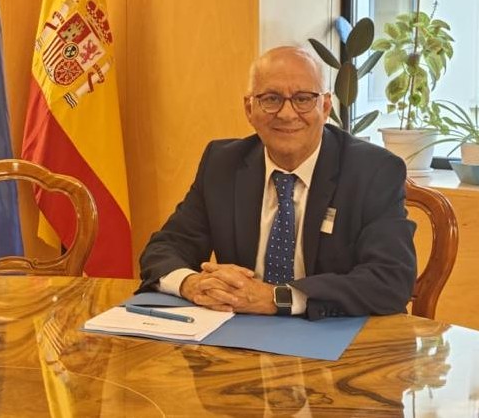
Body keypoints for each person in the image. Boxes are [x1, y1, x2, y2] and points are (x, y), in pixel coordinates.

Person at [138, 46, 416, 320]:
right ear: (249, 109)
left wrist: (276, 298)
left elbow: (391, 279)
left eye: (303, 99)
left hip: (336, 333)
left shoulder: (373, 171)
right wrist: (191, 284)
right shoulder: (222, 164)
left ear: (325, 106)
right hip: (240, 333)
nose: (286, 114)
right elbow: (164, 249)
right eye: (271, 99)